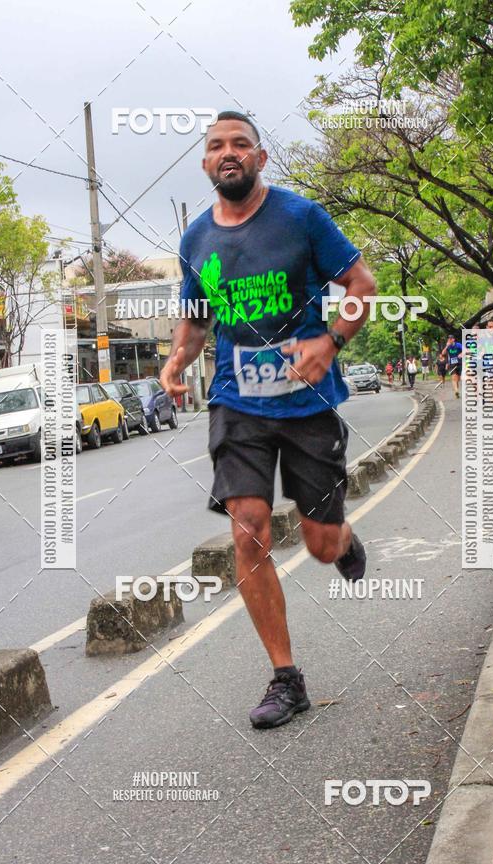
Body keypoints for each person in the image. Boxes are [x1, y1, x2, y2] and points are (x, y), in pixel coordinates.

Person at [160, 111, 377, 730]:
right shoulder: (196, 239)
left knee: (318, 542)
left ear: (260, 157)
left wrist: (331, 342)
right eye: (215, 147)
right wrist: (178, 359)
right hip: (236, 401)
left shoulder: (302, 218)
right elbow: (197, 320)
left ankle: (341, 537)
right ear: (206, 164)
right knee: (248, 528)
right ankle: (287, 679)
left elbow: (360, 283)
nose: (228, 153)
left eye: (240, 144)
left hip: (308, 402)